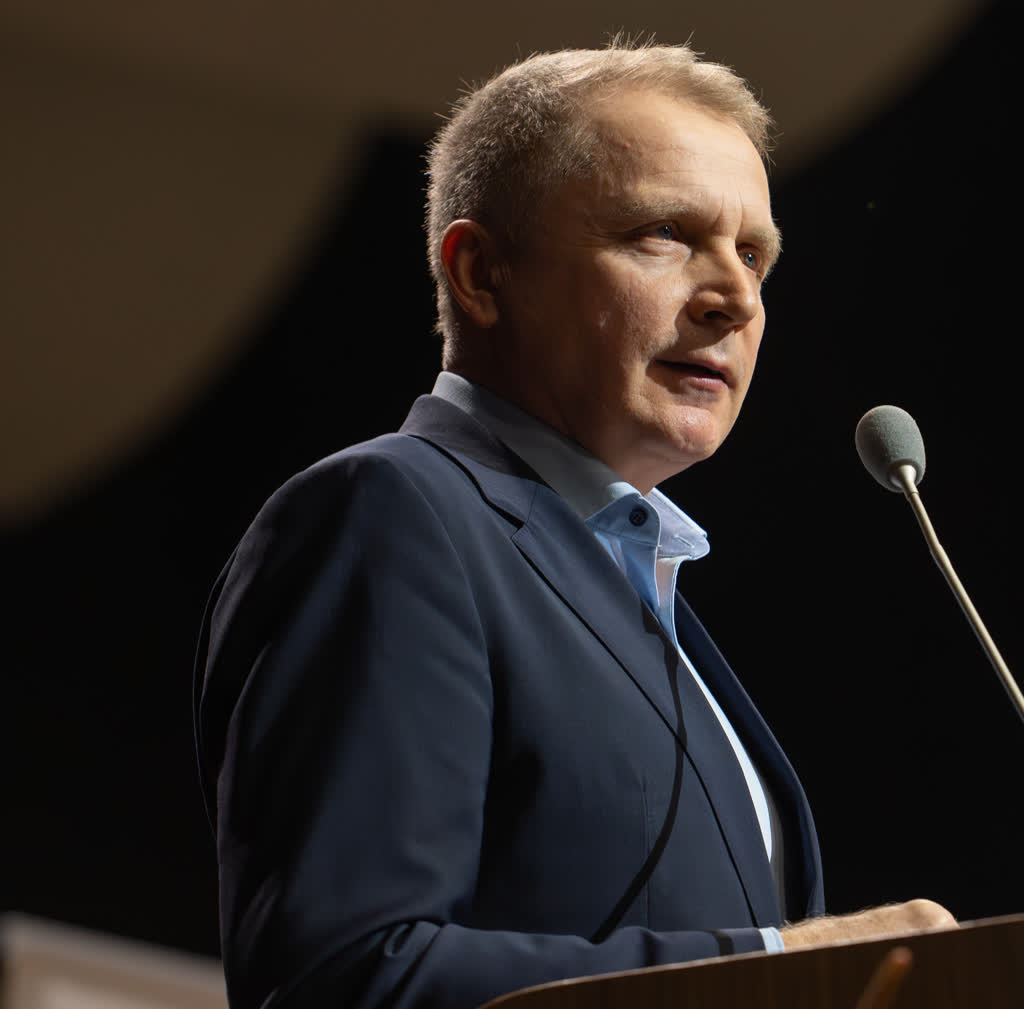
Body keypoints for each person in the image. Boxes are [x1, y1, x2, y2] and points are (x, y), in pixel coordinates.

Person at [193, 41, 953, 1009]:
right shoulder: (390, 516)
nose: (735, 298)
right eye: (664, 233)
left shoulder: (636, 585)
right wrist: (783, 965)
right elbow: (342, 979)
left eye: (753, 254)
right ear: (481, 273)